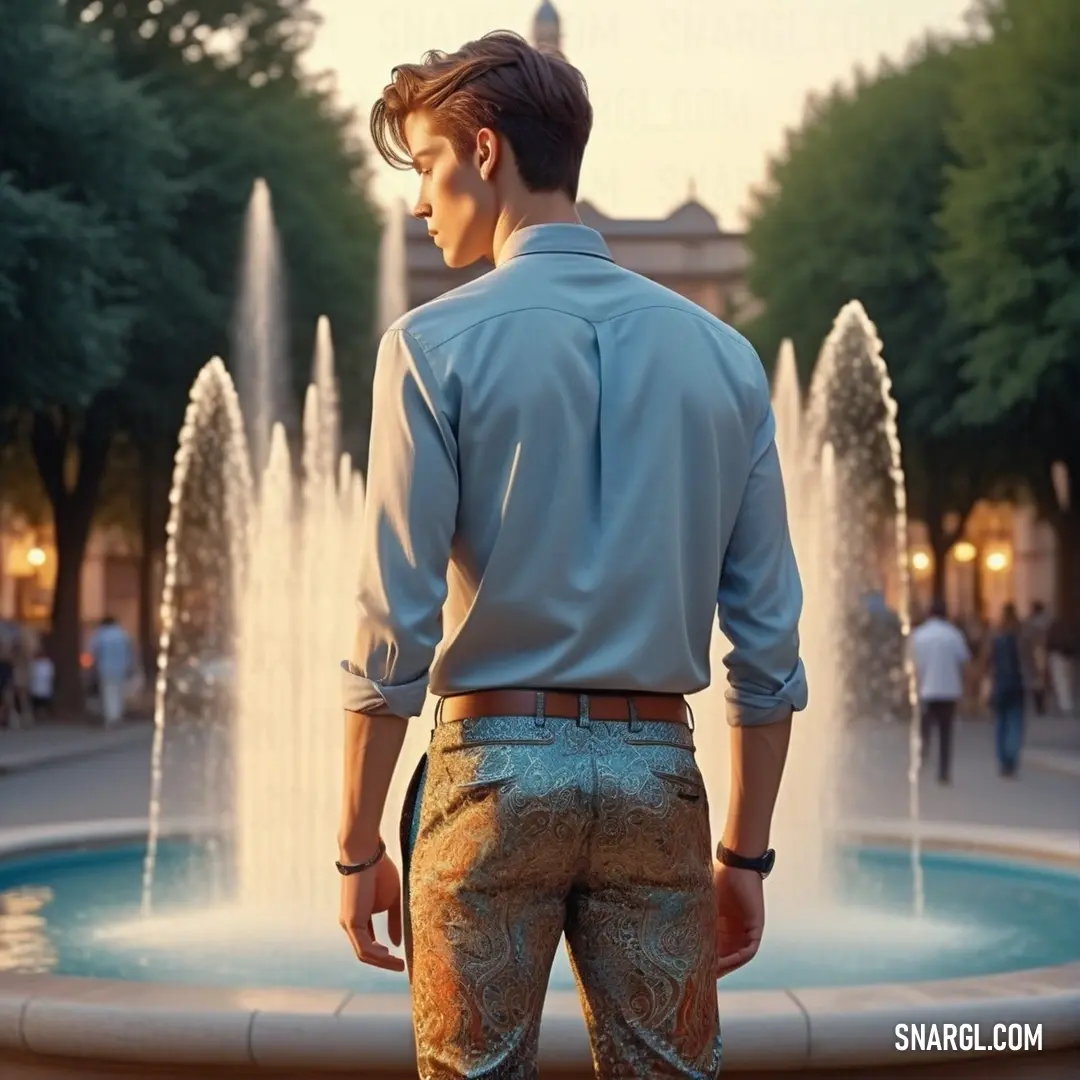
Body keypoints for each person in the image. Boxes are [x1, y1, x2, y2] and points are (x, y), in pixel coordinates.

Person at [334, 30, 807, 1080]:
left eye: (426, 166)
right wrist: (747, 854)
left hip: (492, 776)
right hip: (655, 776)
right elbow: (769, 646)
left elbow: (394, 630)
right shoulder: (725, 358)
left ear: (486, 152)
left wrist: (358, 846)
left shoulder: (429, 346)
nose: (419, 202)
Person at [910, 598, 971, 785]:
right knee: (946, 732)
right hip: (948, 689)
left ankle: (920, 760)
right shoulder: (953, 635)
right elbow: (964, 660)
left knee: (924, 729)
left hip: (926, 689)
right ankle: (944, 772)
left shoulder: (919, 635)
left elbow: (912, 664)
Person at [983, 603, 1028, 777]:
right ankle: (1011, 759)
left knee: (1001, 724)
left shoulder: (996, 637)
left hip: (1000, 683)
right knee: (1015, 723)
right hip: (1017, 684)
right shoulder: (1021, 636)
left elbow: (987, 660)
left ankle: (1003, 760)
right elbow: (1028, 661)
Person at [88, 616, 133, 727]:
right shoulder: (122, 634)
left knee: (108, 693)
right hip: (121, 668)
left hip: (105, 668)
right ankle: (118, 715)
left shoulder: (101, 635)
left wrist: (92, 666)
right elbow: (129, 651)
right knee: (119, 693)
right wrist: (129, 665)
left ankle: (111, 717)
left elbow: (93, 651)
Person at [1021, 601, 1051, 715]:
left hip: (1037, 650)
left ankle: (1039, 704)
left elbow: (1026, 636)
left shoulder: (1032, 622)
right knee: (1040, 678)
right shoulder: (1048, 621)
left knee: (1037, 678)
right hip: (1043, 651)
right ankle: (1041, 703)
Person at [1046, 611, 1076, 716]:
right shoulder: (1070, 628)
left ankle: (1064, 705)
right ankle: (1067, 704)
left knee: (1060, 681)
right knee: (1067, 680)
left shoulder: (1053, 628)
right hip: (1068, 656)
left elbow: (1049, 642)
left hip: (1056, 656)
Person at [29, 644, 55, 719]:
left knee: (43, 700)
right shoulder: (34, 663)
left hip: (44, 686)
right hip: (37, 686)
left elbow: (50, 675)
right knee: (37, 700)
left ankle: (43, 712)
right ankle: (38, 713)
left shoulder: (47, 663)